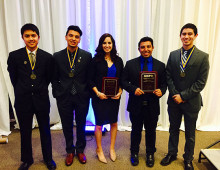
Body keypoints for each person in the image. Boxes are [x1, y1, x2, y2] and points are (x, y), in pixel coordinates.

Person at [160, 23, 209, 170]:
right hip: (174, 101)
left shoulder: (203, 57)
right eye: (184, 34)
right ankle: (172, 153)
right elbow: (168, 75)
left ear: (195, 36)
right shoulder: (174, 55)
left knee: (190, 133)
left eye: (190, 34)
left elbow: (201, 82)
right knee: (173, 129)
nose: (186, 36)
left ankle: (188, 158)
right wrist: (175, 94)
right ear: (180, 36)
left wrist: (183, 96)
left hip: (191, 102)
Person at [7, 23, 56, 170]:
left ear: (38, 37)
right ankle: (27, 160)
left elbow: (48, 78)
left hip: (41, 99)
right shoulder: (14, 56)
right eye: (27, 36)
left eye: (33, 35)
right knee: (25, 132)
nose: (31, 38)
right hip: (23, 100)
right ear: (22, 37)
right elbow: (14, 79)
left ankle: (48, 159)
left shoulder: (47, 57)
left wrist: (38, 88)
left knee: (45, 130)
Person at [121, 37, 167, 167]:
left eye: (148, 46)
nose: (145, 49)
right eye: (142, 47)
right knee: (136, 129)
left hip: (152, 104)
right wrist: (133, 89)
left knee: (151, 130)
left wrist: (161, 91)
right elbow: (123, 82)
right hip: (136, 103)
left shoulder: (160, 65)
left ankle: (150, 153)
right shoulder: (130, 64)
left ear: (153, 47)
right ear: (139, 49)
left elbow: (164, 84)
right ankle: (134, 153)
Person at [52, 25, 92, 166]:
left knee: (81, 124)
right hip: (64, 96)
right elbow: (54, 78)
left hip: (82, 96)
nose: (73, 39)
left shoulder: (87, 56)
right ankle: (70, 150)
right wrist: (57, 93)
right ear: (66, 37)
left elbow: (89, 77)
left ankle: (80, 150)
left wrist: (88, 92)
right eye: (71, 35)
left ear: (79, 39)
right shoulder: (57, 56)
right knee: (66, 124)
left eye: (76, 36)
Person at [89, 33, 124, 163]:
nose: (107, 45)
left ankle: (111, 148)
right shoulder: (95, 60)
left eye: (109, 43)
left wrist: (120, 92)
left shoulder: (119, 61)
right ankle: (99, 149)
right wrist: (98, 93)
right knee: (99, 124)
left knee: (113, 122)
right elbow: (90, 80)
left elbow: (122, 79)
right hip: (99, 97)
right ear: (101, 44)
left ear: (113, 45)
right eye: (104, 43)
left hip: (114, 98)